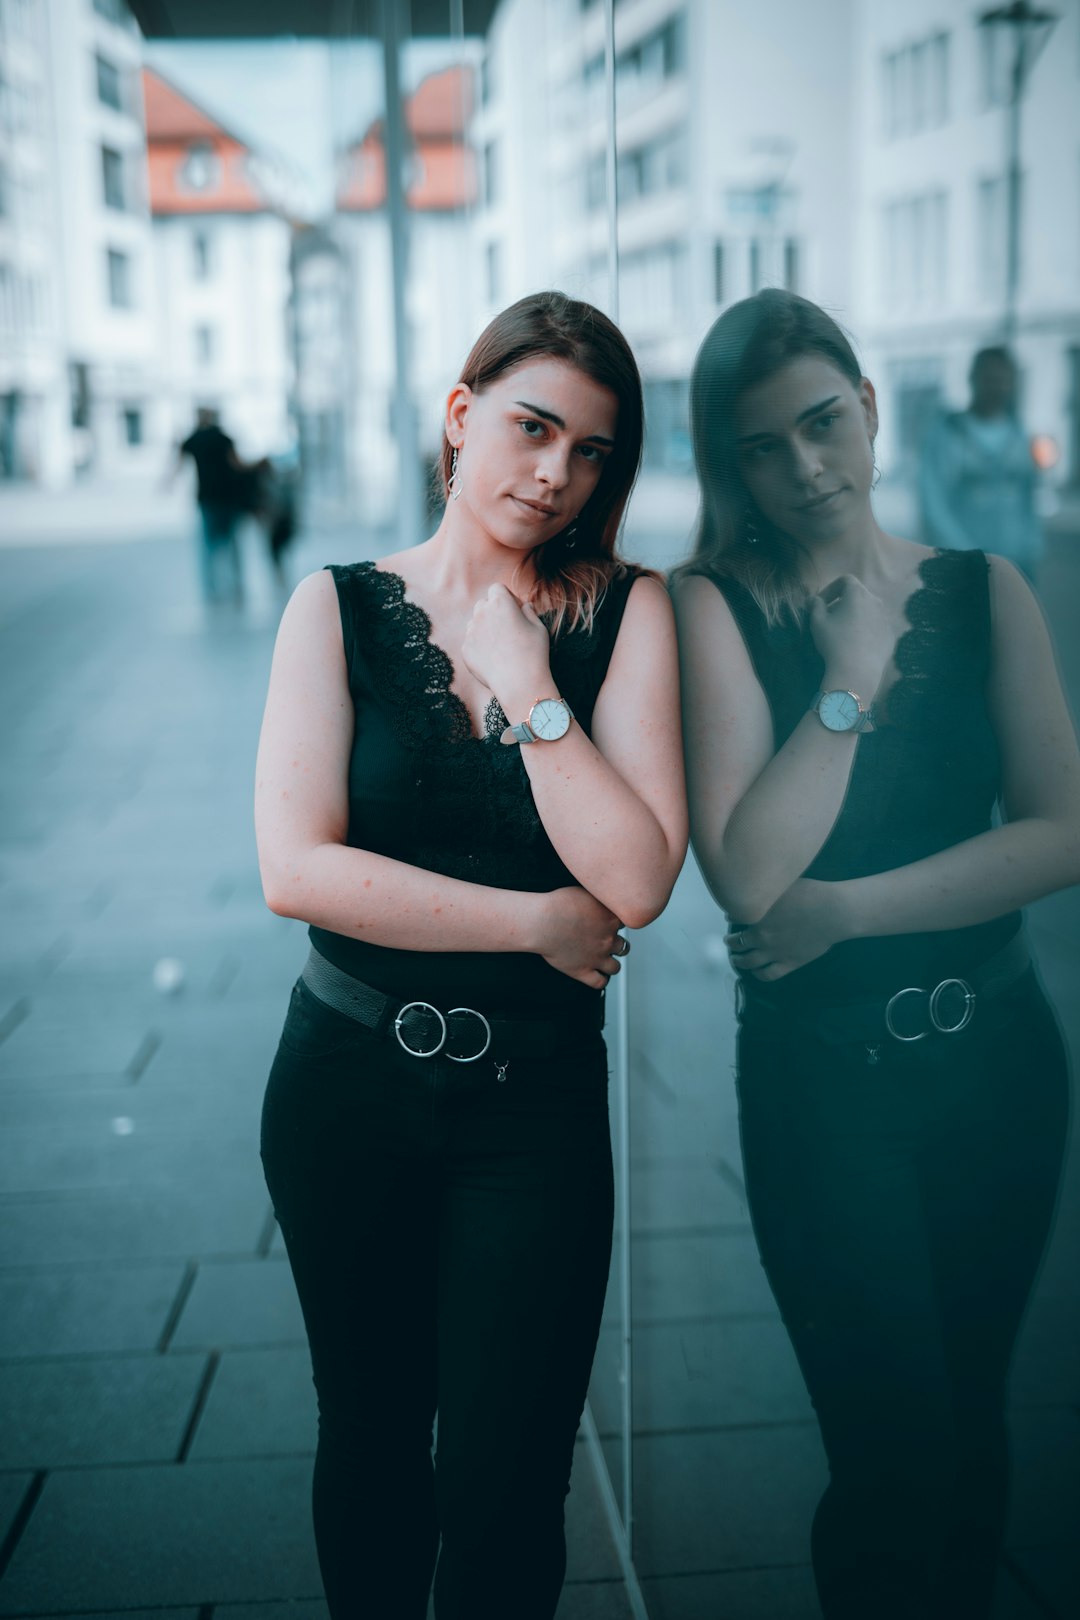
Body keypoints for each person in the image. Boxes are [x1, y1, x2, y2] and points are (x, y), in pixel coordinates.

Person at [255, 290, 687, 1619]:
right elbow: (297, 870)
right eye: (532, 427)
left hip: (533, 1113)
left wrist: (533, 691)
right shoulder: (334, 610)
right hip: (347, 1086)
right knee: (373, 1448)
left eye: (593, 450)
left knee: (507, 1484)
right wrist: (529, 922)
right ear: (461, 416)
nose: (556, 473)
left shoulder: (627, 613)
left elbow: (637, 877)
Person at [674, 289, 1077, 1619]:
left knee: (971, 1445)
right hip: (826, 1091)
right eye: (761, 447)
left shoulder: (984, 590)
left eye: (822, 423)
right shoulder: (712, 609)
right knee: (890, 1460)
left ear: (871, 411)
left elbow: (1062, 832)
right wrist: (846, 681)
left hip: (1003, 1066)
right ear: (726, 464)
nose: (802, 467)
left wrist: (852, 911)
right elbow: (747, 868)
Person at [918, 346, 1043, 581]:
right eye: (989, 378)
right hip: (964, 567)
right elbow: (933, 504)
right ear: (973, 379)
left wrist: (1032, 546)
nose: (996, 386)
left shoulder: (1020, 435)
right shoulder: (947, 434)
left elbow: (1030, 497)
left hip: (1018, 565)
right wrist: (966, 556)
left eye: (1003, 379)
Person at [174, 407, 245, 604]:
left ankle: (211, 591)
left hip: (207, 499)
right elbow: (238, 465)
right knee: (232, 545)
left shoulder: (193, 439)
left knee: (208, 548)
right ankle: (237, 586)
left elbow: (178, 465)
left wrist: (167, 482)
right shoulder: (224, 438)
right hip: (229, 498)